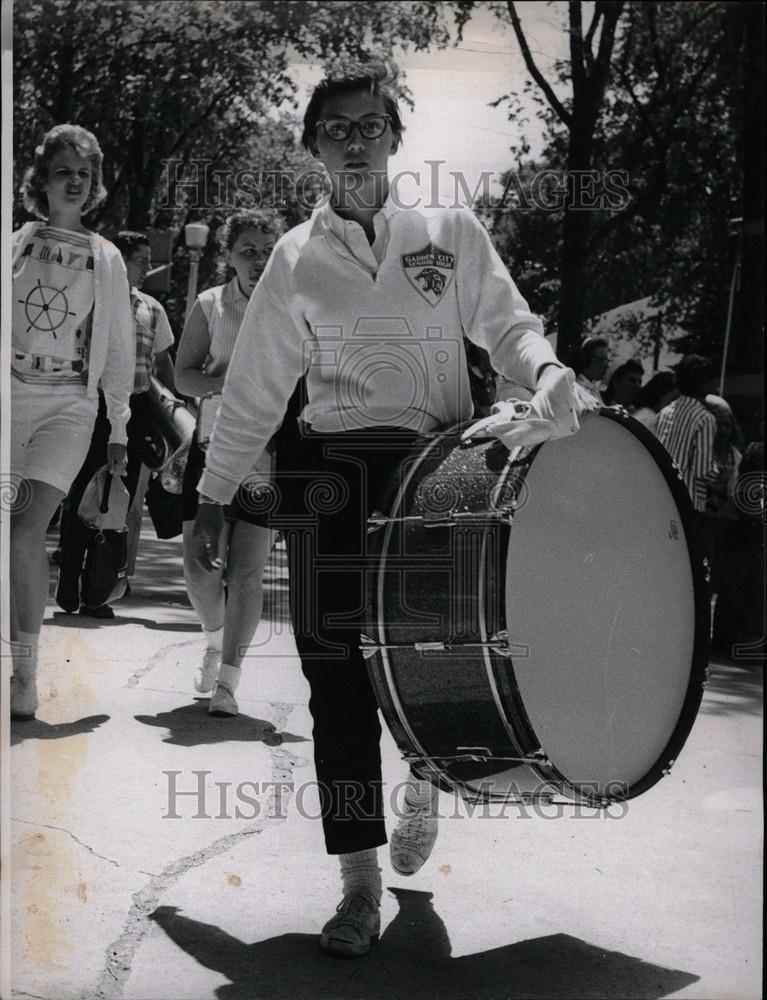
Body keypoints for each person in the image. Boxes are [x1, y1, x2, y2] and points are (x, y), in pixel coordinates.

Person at [190, 60, 588, 957]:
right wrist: (212, 498)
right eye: (337, 127)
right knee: (334, 675)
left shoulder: (446, 229)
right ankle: (359, 884)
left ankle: (422, 780)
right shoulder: (293, 257)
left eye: (371, 123)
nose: (355, 139)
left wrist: (548, 370)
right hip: (328, 473)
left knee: (430, 658)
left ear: (395, 135)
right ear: (313, 146)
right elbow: (254, 390)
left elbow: (506, 322)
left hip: (433, 476)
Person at [9, 124, 134, 718]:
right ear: (42, 182)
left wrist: (118, 427)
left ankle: (24, 675)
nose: (76, 182)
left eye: (85, 174)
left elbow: (117, 347)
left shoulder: (106, 258)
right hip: (8, 402)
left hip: (68, 410)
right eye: (65, 172)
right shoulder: (15, 245)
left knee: (26, 527)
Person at [176, 208, 295, 716]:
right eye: (247, 251)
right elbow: (183, 376)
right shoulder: (210, 305)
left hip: (266, 456)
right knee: (199, 566)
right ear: (228, 255)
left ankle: (228, 679)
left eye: (268, 251)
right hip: (212, 448)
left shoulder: (294, 307)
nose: (257, 261)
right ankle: (214, 636)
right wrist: (230, 386)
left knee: (247, 572)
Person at [55, 230, 176, 618]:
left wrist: (176, 408)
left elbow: (164, 362)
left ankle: (98, 590)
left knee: (117, 502)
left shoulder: (151, 309)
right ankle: (69, 582)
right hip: (91, 407)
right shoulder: (89, 300)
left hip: (136, 410)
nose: (146, 268)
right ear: (121, 262)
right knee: (81, 494)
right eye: (140, 259)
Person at [700, 394, 742, 654]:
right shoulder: (705, 452)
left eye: (727, 425)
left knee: (717, 582)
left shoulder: (735, 456)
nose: (723, 430)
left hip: (725, 526)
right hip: (706, 521)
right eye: (718, 424)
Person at [656, 354, 718, 513]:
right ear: (705, 383)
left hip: (661, 495)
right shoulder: (704, 418)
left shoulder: (664, 412)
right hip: (688, 501)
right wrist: (718, 473)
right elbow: (702, 470)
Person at [564, 336, 609, 406]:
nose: (606, 365)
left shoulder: (594, 390)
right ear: (583, 359)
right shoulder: (573, 389)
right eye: (600, 360)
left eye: (606, 360)